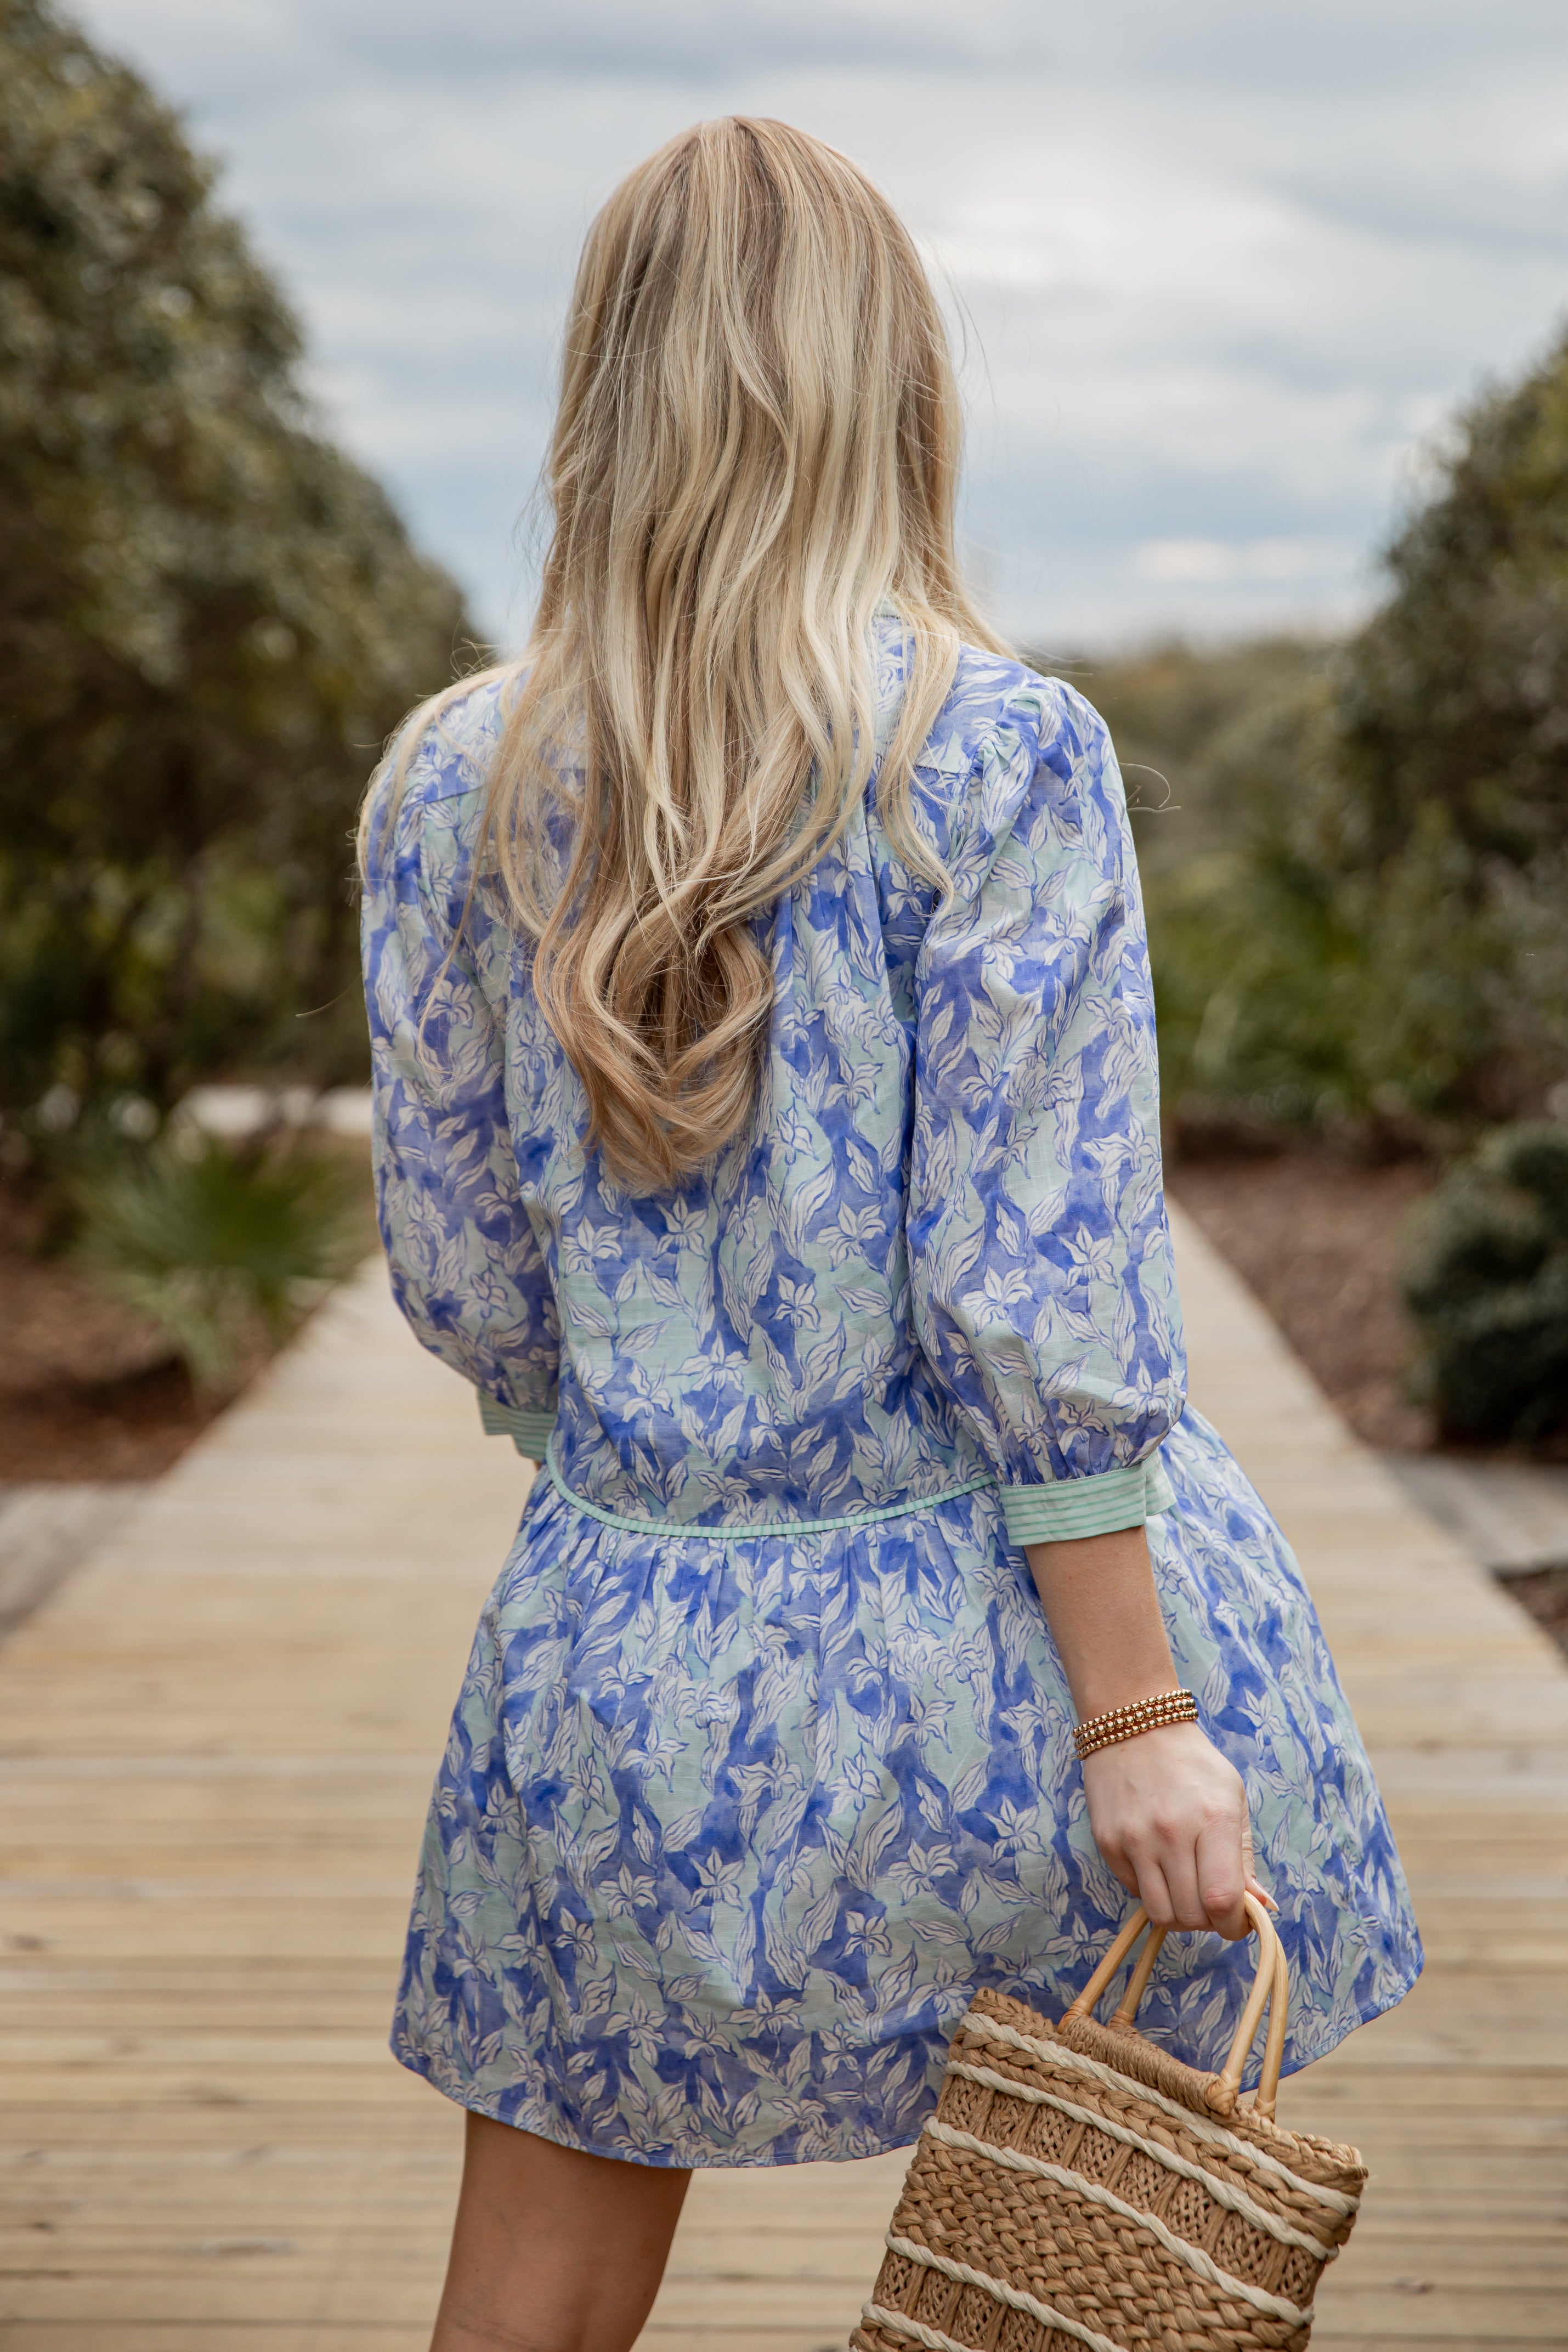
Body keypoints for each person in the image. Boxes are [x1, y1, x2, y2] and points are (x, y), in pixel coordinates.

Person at [359, 116, 1420, 2352]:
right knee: (1069, 2275)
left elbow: (468, 1287)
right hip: (1007, 1671)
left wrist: (664, 1456)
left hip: (621, 1673)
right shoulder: (996, 753)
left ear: (597, 394)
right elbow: (1034, 1277)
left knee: (526, 2303)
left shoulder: (449, 787)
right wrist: (1141, 1709)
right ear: (891, 386)